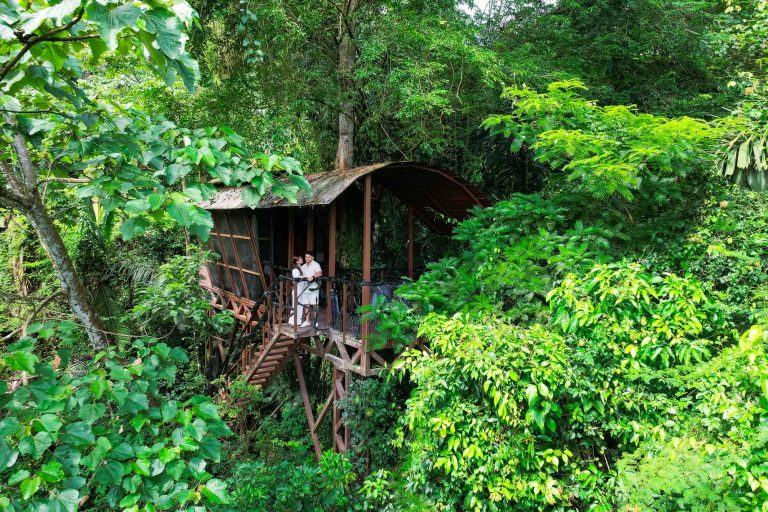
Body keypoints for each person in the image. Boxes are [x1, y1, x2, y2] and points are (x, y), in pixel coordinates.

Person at [300, 251, 322, 328]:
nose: (306, 258)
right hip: (305, 287)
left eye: (308, 257)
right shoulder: (304, 266)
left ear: (312, 257)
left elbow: (319, 273)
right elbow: (300, 274)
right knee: (306, 304)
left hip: (313, 287)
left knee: (315, 304)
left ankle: (316, 321)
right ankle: (307, 321)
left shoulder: (316, 264)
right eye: (305, 257)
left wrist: (313, 277)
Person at [287, 255, 305, 327]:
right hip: (297, 289)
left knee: (300, 305)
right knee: (296, 305)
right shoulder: (295, 270)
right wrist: (305, 278)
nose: (302, 259)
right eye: (300, 259)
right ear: (297, 261)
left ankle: (297, 321)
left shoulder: (300, 267)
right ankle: (293, 321)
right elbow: (296, 280)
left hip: (300, 289)